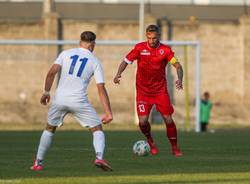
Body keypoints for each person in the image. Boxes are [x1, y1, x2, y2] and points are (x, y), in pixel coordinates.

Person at [30, 31, 113, 171]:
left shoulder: (65, 54)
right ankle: (99, 157)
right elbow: (101, 88)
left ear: (80, 41)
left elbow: (51, 73)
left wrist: (46, 92)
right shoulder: (95, 61)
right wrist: (108, 112)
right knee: (97, 128)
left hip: (60, 99)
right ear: (93, 44)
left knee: (50, 128)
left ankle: (38, 163)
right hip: (79, 101)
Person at [113, 24, 183, 157]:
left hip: (160, 91)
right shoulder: (139, 48)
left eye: (154, 38)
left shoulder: (165, 50)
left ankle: (174, 147)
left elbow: (178, 66)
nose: (152, 41)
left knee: (168, 119)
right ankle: (150, 142)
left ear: (158, 37)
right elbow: (125, 61)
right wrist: (118, 74)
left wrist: (180, 79)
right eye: (149, 38)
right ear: (146, 36)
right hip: (143, 92)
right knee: (143, 121)